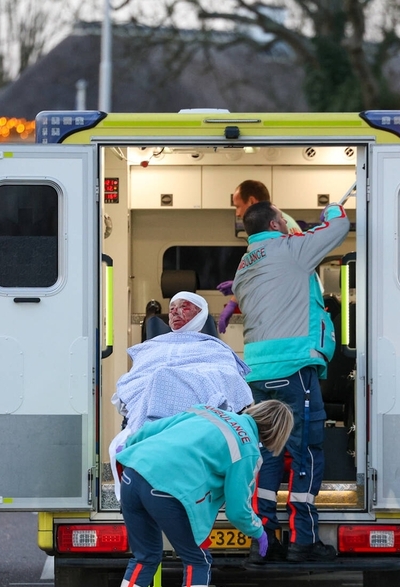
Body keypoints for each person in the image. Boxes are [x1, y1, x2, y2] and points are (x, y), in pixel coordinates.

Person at [108, 400, 294, 587]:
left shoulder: (207, 412)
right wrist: (259, 532)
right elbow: (238, 510)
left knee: (145, 557)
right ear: (276, 433)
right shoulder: (247, 449)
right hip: (166, 492)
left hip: (133, 474)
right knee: (197, 559)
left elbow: (148, 431)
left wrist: (132, 452)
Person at [232, 200, 350, 562]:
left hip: (256, 374)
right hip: (293, 370)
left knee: (267, 454)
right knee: (305, 451)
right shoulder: (291, 249)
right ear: (273, 223)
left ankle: (263, 539)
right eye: (283, 220)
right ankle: (303, 540)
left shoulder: (245, 265)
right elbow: (338, 227)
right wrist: (332, 209)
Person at [109, 291, 253, 500]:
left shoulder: (215, 349)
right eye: (172, 308)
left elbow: (229, 378)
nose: (175, 312)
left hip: (199, 419)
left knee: (165, 376)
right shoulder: (152, 347)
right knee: (159, 376)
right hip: (151, 406)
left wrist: (187, 379)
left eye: (184, 307)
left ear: (200, 313)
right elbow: (134, 380)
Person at [219, 180, 304, 333]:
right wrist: (240, 285)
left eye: (238, 206)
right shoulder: (270, 226)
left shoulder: (278, 226)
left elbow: (277, 272)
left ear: (251, 201)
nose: (237, 213)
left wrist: (238, 294)